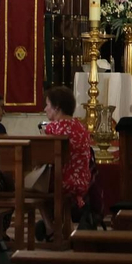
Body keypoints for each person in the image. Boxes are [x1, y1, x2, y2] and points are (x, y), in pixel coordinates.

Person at [39, 85, 92, 238]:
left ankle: (50, 228)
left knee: (32, 188)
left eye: (47, 105)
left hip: (62, 181)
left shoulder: (54, 128)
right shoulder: (80, 127)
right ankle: (65, 228)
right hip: (82, 180)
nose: (45, 109)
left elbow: (43, 157)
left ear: (57, 107)